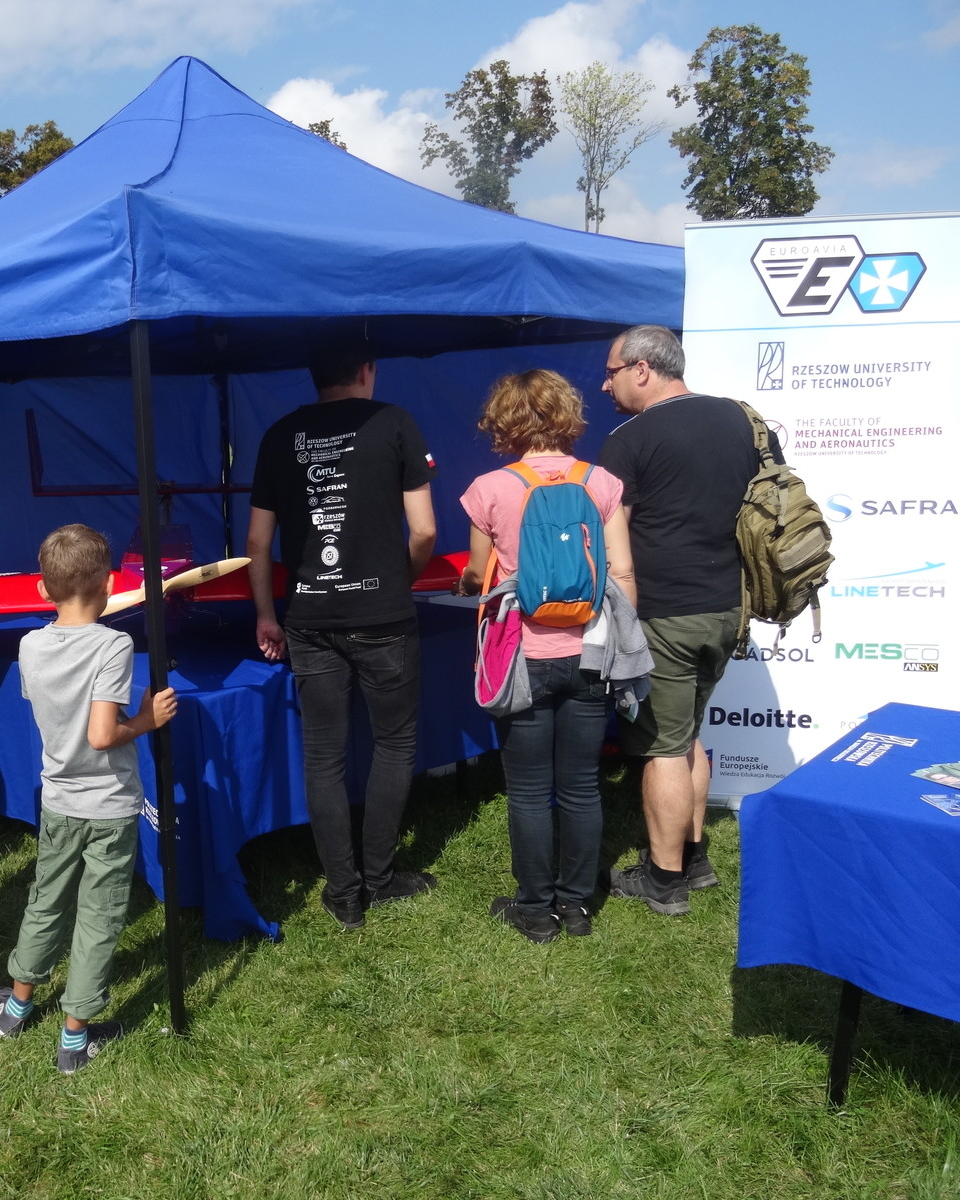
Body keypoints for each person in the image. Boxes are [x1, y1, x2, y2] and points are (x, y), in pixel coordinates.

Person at [246, 340, 439, 931]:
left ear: (314, 375)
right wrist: (396, 582)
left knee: (323, 756)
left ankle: (343, 892)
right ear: (366, 370)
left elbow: (256, 543)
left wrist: (266, 615)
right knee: (394, 744)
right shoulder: (395, 422)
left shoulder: (279, 435)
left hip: (309, 618)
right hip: (384, 616)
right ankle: (379, 878)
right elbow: (425, 532)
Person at [596, 325, 776, 916]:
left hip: (665, 615)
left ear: (642, 369)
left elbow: (611, 537)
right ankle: (694, 861)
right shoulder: (742, 420)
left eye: (611, 372)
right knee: (689, 735)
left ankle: (663, 879)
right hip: (730, 607)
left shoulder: (628, 440)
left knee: (663, 749)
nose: (605, 385)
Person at [454, 370, 636, 942]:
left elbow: (477, 574)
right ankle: (576, 907)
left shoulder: (489, 488)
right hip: (590, 652)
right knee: (581, 785)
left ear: (504, 421)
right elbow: (623, 571)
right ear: (566, 414)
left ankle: (535, 911)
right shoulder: (601, 482)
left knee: (529, 791)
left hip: (522, 657)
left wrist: (469, 583)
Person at [0, 525, 178, 1073]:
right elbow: (101, 734)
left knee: (46, 899)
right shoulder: (115, 645)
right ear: (110, 584)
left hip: (59, 800)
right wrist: (147, 720)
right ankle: (74, 1039)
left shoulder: (29, 645)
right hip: (109, 805)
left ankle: (17, 1006)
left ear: (42, 589)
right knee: (99, 915)